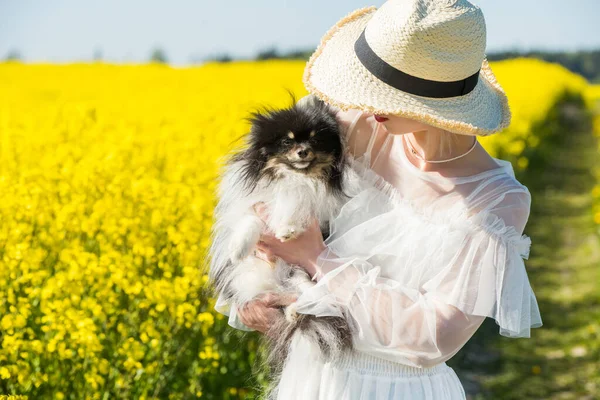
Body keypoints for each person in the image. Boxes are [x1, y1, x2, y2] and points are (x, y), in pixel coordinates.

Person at [229, 0, 544, 398]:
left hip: (398, 389)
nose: (367, 102)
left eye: (388, 93)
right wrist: (253, 289)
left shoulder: (496, 201)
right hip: (311, 377)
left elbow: (435, 339)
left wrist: (318, 258)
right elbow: (260, 191)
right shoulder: (354, 129)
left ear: (437, 103)